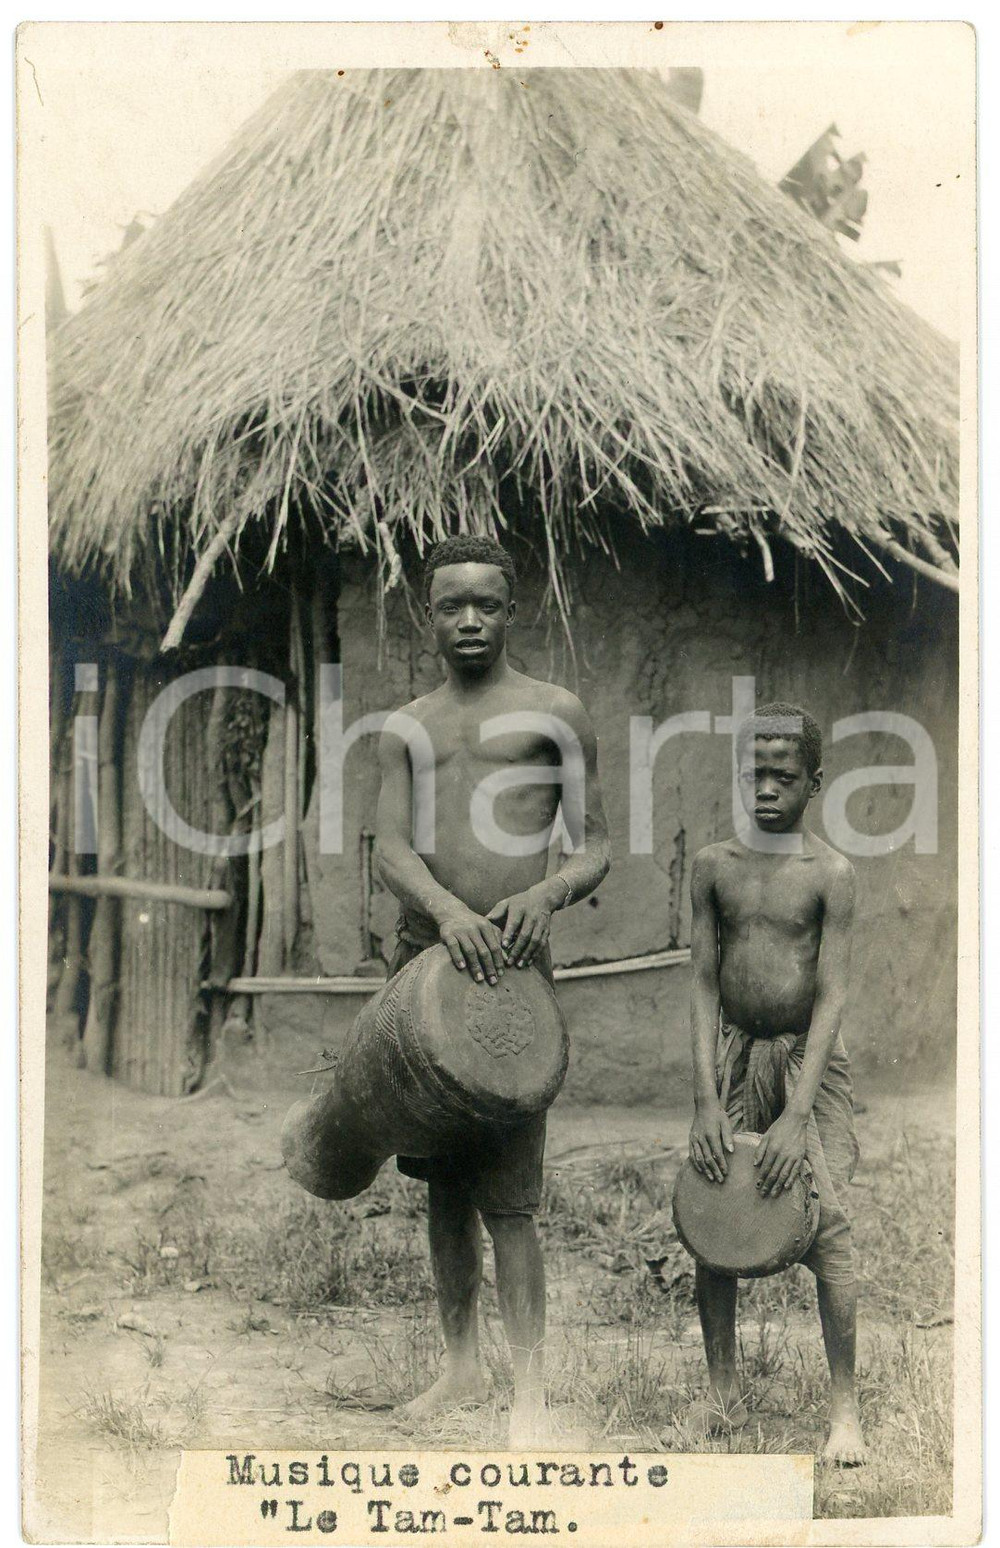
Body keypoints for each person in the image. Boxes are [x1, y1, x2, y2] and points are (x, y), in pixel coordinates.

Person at [374, 534, 610, 1445]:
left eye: (484, 603)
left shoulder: (557, 712)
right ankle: (462, 1367)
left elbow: (591, 847)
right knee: (441, 1183)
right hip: (423, 969)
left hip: (512, 967)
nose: (467, 619)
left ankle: (532, 1395)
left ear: (512, 610)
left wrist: (541, 894)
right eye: (449, 605)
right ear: (426, 616)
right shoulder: (408, 726)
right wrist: (444, 912)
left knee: (510, 1195)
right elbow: (391, 848)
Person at [686, 702, 865, 1466]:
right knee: (713, 1213)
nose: (766, 789)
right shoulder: (713, 868)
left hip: (807, 1068)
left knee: (829, 1232)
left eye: (783, 776)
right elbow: (699, 984)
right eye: (753, 774)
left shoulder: (829, 875)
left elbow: (831, 996)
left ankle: (845, 1411)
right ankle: (723, 1391)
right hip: (730, 1058)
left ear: (814, 783)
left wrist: (795, 1116)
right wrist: (703, 1099)